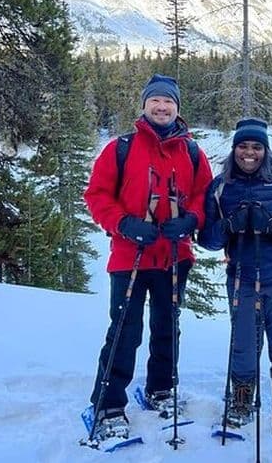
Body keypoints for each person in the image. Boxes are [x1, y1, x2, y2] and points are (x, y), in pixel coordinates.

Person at [83, 74, 213, 445]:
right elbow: (97, 195)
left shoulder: (191, 152)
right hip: (130, 255)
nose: (161, 107)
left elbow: (206, 193)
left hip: (174, 256)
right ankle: (107, 404)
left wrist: (192, 219)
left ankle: (160, 389)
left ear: (177, 108)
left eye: (168, 102)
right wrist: (124, 223)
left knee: (167, 327)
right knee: (125, 330)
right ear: (144, 106)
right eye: (155, 101)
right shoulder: (120, 148)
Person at [198, 117, 272, 437]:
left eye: (256, 147)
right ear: (234, 148)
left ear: (265, 150)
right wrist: (228, 226)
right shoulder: (220, 185)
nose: (249, 153)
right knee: (243, 342)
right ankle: (240, 402)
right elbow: (207, 240)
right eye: (243, 146)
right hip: (243, 277)